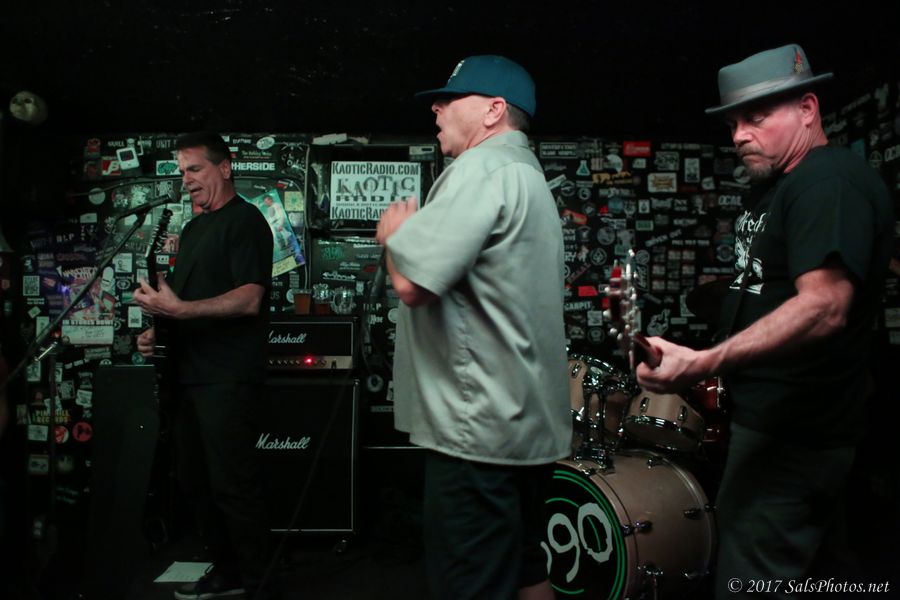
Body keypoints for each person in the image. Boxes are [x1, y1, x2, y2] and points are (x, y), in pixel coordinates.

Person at [635, 44, 894, 598]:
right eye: (733, 123)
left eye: (756, 117)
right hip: (777, 422)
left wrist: (703, 362)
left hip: (795, 432)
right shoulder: (782, 185)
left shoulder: (828, 181)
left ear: (807, 109)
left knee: (748, 579)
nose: (739, 135)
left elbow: (825, 305)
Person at [375, 55, 570, 600]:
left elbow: (414, 285)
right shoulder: (527, 173)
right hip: (525, 429)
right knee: (527, 568)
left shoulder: (480, 169)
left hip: (476, 433)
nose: (436, 109)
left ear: (493, 110)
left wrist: (394, 235)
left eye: (450, 99)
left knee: (471, 583)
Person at [134, 132, 279, 600]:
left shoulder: (246, 221)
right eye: (182, 172)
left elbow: (249, 298)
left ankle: (260, 583)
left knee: (234, 484)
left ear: (225, 167)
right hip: (189, 375)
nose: (187, 180)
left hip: (227, 375)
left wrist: (178, 311)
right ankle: (229, 570)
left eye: (195, 168)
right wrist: (159, 334)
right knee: (194, 481)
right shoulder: (195, 229)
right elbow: (187, 304)